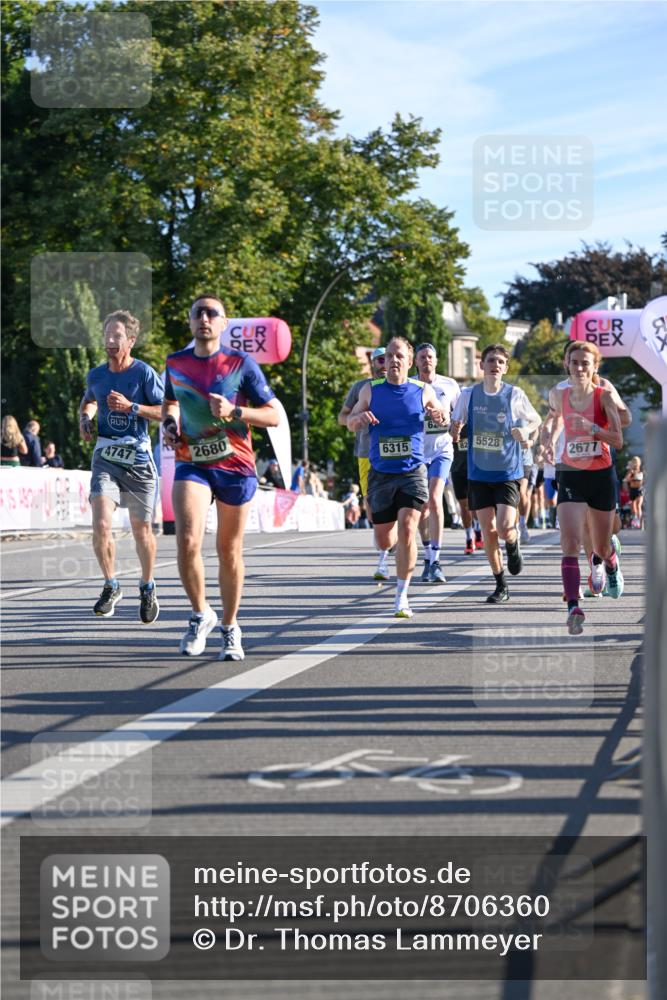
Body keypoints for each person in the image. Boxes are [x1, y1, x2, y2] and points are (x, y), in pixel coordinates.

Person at [163, 293, 281, 661]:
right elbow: (171, 401)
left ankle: (230, 627)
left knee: (228, 550)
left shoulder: (241, 364)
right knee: (187, 541)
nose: (204, 318)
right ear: (190, 320)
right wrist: (170, 423)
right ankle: (201, 613)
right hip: (192, 460)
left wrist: (236, 411)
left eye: (212, 313)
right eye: (198, 312)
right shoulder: (175, 362)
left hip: (235, 464)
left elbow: (274, 415)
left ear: (224, 322)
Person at [346, 336, 447, 618]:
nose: (393, 360)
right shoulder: (370, 390)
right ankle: (385, 553)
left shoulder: (422, 389)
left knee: (407, 528)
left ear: (409, 360)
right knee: (385, 539)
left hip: (413, 471)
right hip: (380, 473)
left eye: (399, 356)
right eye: (389, 355)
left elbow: (442, 416)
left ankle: (402, 595)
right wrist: (360, 419)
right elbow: (350, 421)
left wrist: (438, 415)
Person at [80, 310, 164, 623]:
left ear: (131, 340)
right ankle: (111, 584)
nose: (110, 341)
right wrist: (85, 418)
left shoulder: (143, 374)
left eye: (117, 336)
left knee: (142, 530)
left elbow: (168, 410)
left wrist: (133, 407)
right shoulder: (97, 375)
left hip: (140, 461)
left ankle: (147, 585)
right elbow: (89, 399)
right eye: (107, 335)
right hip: (105, 460)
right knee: (101, 523)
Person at [544, 340, 624, 635]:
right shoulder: (558, 394)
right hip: (571, 475)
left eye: (585, 363)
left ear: (594, 368)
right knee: (570, 543)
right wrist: (548, 442)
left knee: (600, 547)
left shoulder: (604, 396)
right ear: (566, 363)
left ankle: (610, 561)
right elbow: (553, 420)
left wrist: (593, 429)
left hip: (601, 477)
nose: (579, 367)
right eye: (574, 362)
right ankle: (573, 607)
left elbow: (617, 440)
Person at [451, 344, 541, 604]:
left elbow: (535, 420)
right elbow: (455, 427)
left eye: (500, 361)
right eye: (491, 360)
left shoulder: (515, 394)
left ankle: (512, 544)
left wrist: (525, 432)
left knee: (503, 528)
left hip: (507, 472)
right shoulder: (468, 395)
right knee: (488, 531)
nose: (495, 365)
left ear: (506, 368)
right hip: (478, 473)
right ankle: (500, 583)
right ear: (482, 365)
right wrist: (455, 431)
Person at [413, 342, 460, 584]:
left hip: (442, 450)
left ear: (436, 360)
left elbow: (460, 415)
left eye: (430, 356)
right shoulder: (410, 386)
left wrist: (453, 424)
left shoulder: (449, 385)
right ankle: (427, 556)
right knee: (423, 506)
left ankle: (437, 561)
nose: (426, 360)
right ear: (416, 361)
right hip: (418, 452)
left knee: (434, 498)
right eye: (422, 357)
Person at [338, 345, 387, 527]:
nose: (384, 365)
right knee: (369, 497)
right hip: (366, 450)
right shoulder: (360, 387)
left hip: (393, 449)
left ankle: (392, 534)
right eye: (380, 360)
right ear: (372, 363)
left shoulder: (401, 386)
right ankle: (380, 535)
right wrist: (355, 419)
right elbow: (342, 417)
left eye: (387, 360)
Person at [624, 456, 645, 528]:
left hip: (639, 489)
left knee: (638, 505)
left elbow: (644, 479)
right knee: (633, 506)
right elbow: (626, 479)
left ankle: (639, 520)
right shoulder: (631, 471)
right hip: (633, 490)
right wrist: (632, 475)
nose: (636, 463)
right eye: (634, 462)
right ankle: (635, 519)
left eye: (637, 462)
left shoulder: (641, 470)